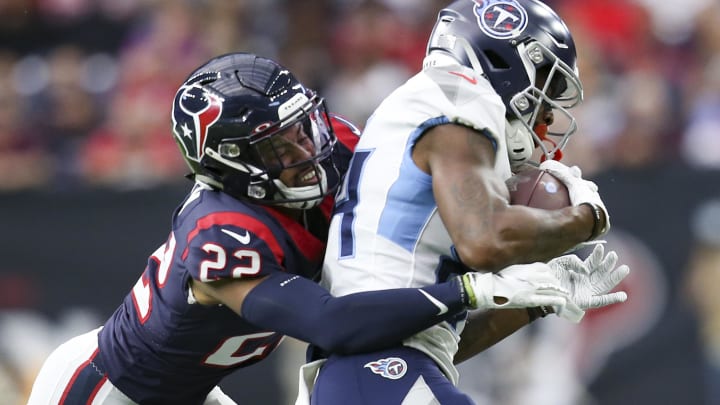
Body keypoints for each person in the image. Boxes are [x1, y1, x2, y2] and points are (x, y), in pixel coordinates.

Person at [26, 52, 597, 405]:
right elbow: (330, 322)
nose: (307, 147)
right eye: (277, 145)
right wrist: (473, 289)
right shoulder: (221, 233)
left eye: (301, 127)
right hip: (110, 393)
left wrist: (527, 272)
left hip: (196, 391)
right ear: (229, 164)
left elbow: (408, 268)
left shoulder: (338, 148)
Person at [305, 0, 629, 404]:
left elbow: (437, 343)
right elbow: (485, 241)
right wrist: (587, 218)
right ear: (508, 61)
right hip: (383, 374)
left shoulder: (426, 103)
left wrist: (538, 300)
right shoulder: (461, 99)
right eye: (545, 82)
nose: (546, 112)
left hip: (368, 374)